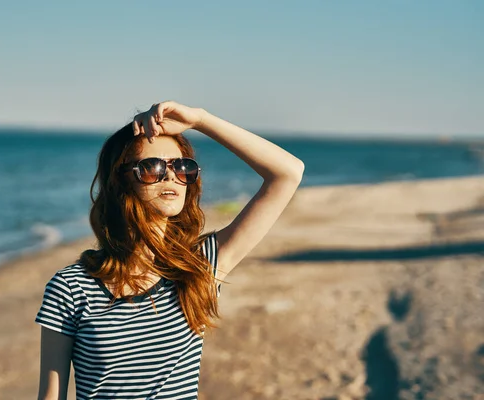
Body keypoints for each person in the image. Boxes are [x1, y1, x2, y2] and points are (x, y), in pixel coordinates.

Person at [34, 100, 305, 400]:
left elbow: (288, 174)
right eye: (152, 167)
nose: (170, 176)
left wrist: (200, 120)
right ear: (121, 181)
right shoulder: (71, 288)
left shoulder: (199, 266)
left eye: (182, 166)